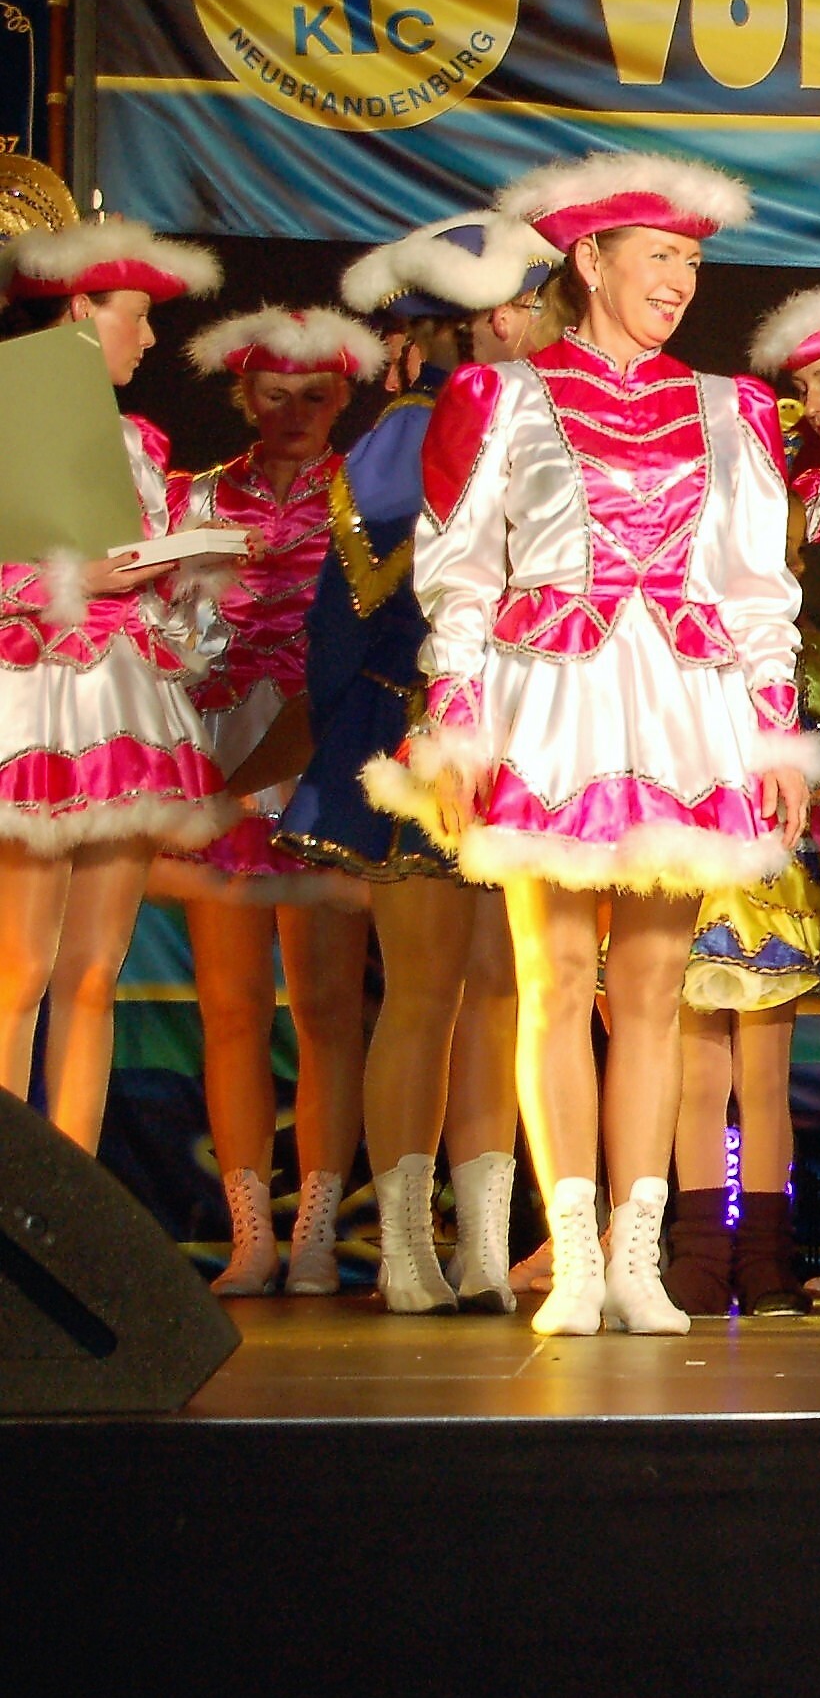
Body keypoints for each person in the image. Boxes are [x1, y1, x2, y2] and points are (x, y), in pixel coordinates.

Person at [371, 151, 820, 1339]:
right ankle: (571, 1254)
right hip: (554, 702)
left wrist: (775, 733)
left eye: (691, 262)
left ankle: (636, 1254)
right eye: (659, 256)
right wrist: (456, 718)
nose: (679, 280)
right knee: (556, 977)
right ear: (590, 258)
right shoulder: (500, 396)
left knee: (655, 988)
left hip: (681, 705)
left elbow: (757, 588)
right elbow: (459, 571)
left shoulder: (731, 408)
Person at [286, 212, 553, 1313]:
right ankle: (410, 1248)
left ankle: (479, 1247)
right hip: (431, 734)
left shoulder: (506, 413)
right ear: (474, 321)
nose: (537, 321)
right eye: (525, 304)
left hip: (500, 733)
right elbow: (358, 617)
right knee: (438, 992)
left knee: (489, 991)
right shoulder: (417, 430)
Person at [656, 273, 820, 1320]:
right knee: (768, 1009)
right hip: (766, 764)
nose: (818, 408)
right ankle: (691, 1236)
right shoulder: (774, 486)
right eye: (806, 391)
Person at [152, 307, 385, 1294]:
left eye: (314, 396)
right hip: (220, 758)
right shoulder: (190, 496)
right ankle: (251, 1236)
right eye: (275, 394)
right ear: (244, 395)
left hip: (322, 756)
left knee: (329, 1007)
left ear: (343, 397)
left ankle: (317, 1233)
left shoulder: (365, 494)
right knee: (233, 1007)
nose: (294, 412)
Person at [0, 183, 229, 1153]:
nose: (148, 338)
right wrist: (71, 578)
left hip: (123, 703)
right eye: (134, 315)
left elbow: (169, 608)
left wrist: (191, 573)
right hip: (33, 699)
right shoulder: (11, 409)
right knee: (17, 967)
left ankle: (75, 1193)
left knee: (94, 972)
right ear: (77, 310)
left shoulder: (141, 443)